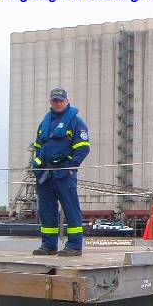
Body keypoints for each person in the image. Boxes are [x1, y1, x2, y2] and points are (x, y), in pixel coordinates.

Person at [32, 87, 90, 257]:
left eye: (60, 100)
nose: (57, 103)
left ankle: (74, 246)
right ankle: (48, 245)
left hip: (64, 173)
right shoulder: (44, 123)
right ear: (50, 102)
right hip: (45, 174)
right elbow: (38, 147)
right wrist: (37, 166)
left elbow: (83, 148)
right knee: (46, 210)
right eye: (54, 100)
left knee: (71, 209)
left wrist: (72, 166)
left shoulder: (76, 122)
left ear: (67, 101)